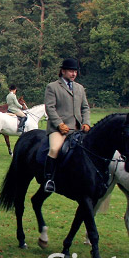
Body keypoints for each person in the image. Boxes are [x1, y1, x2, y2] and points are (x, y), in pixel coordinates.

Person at [42, 58, 91, 193]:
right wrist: (59, 124)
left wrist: (86, 122)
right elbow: (50, 108)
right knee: (55, 149)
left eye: (75, 71)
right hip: (59, 129)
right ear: (63, 71)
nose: (73, 74)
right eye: (70, 71)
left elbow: (85, 108)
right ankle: (49, 180)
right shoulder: (53, 87)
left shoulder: (80, 88)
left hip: (78, 128)